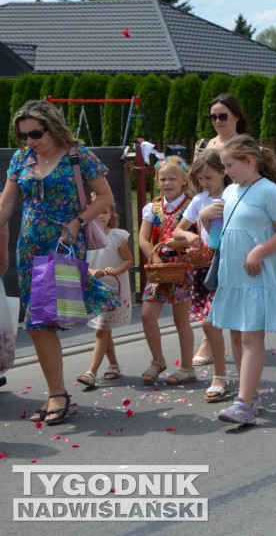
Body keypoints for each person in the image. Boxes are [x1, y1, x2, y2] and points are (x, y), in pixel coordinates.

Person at [0, 100, 120, 425]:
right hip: (29, 249)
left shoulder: (77, 156)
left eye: (35, 133)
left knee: (43, 321)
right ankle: (57, 392)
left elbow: (106, 197)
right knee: (37, 324)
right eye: (23, 135)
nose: (30, 141)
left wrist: (78, 222)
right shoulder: (21, 159)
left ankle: (58, 394)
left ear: (52, 126)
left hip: (63, 246)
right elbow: (5, 207)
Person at [209, 136, 276, 425]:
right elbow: (220, 234)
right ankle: (249, 393)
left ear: (249, 161)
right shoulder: (232, 191)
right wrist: (204, 217)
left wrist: (258, 251)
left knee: (250, 335)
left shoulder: (269, 191)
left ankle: (244, 403)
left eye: (229, 165)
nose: (226, 171)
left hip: (255, 275)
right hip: (234, 275)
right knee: (236, 333)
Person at [172, 151, 240, 402]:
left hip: (231, 264)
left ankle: (233, 378)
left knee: (227, 326)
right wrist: (194, 231)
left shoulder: (234, 195)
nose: (205, 183)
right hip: (207, 267)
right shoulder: (200, 200)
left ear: (223, 171)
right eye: (200, 179)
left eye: (209, 177)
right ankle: (221, 376)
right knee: (210, 322)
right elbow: (180, 231)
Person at [192, 92, 249, 367]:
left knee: (229, 281)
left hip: (235, 212)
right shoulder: (204, 144)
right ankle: (209, 338)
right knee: (211, 279)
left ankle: (236, 338)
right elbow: (195, 176)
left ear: (236, 116)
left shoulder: (245, 145)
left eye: (222, 115)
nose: (217, 121)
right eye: (213, 116)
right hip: (209, 214)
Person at [138, 156, 195, 386]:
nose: (167, 183)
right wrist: (154, 256)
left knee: (181, 318)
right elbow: (143, 239)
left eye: (172, 178)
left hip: (182, 267)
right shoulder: (151, 208)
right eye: (163, 179)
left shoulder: (192, 206)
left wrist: (179, 245)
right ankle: (158, 360)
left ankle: (187, 367)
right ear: (157, 181)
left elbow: (197, 238)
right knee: (147, 315)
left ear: (183, 180)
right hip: (159, 266)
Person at [75, 200, 133, 389]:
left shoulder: (117, 236)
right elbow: (80, 263)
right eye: (96, 212)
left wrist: (116, 270)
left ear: (111, 215)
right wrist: (92, 273)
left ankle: (91, 372)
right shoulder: (83, 238)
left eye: (105, 212)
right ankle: (114, 365)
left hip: (114, 291)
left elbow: (129, 260)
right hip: (95, 290)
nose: (100, 216)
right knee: (104, 329)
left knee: (101, 330)